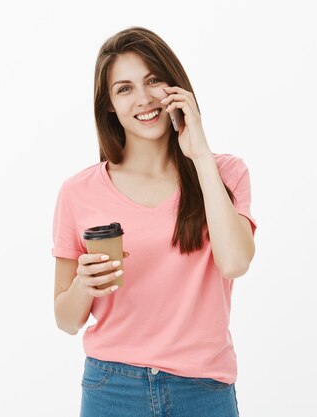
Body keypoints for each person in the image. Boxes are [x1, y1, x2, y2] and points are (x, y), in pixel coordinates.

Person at [51, 26, 257, 417]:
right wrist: (84, 283)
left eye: (153, 80)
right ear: (109, 104)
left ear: (174, 86)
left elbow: (235, 262)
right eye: (124, 88)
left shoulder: (225, 173)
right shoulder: (78, 192)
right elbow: (65, 320)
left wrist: (200, 155)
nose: (144, 99)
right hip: (111, 387)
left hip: (204, 388)